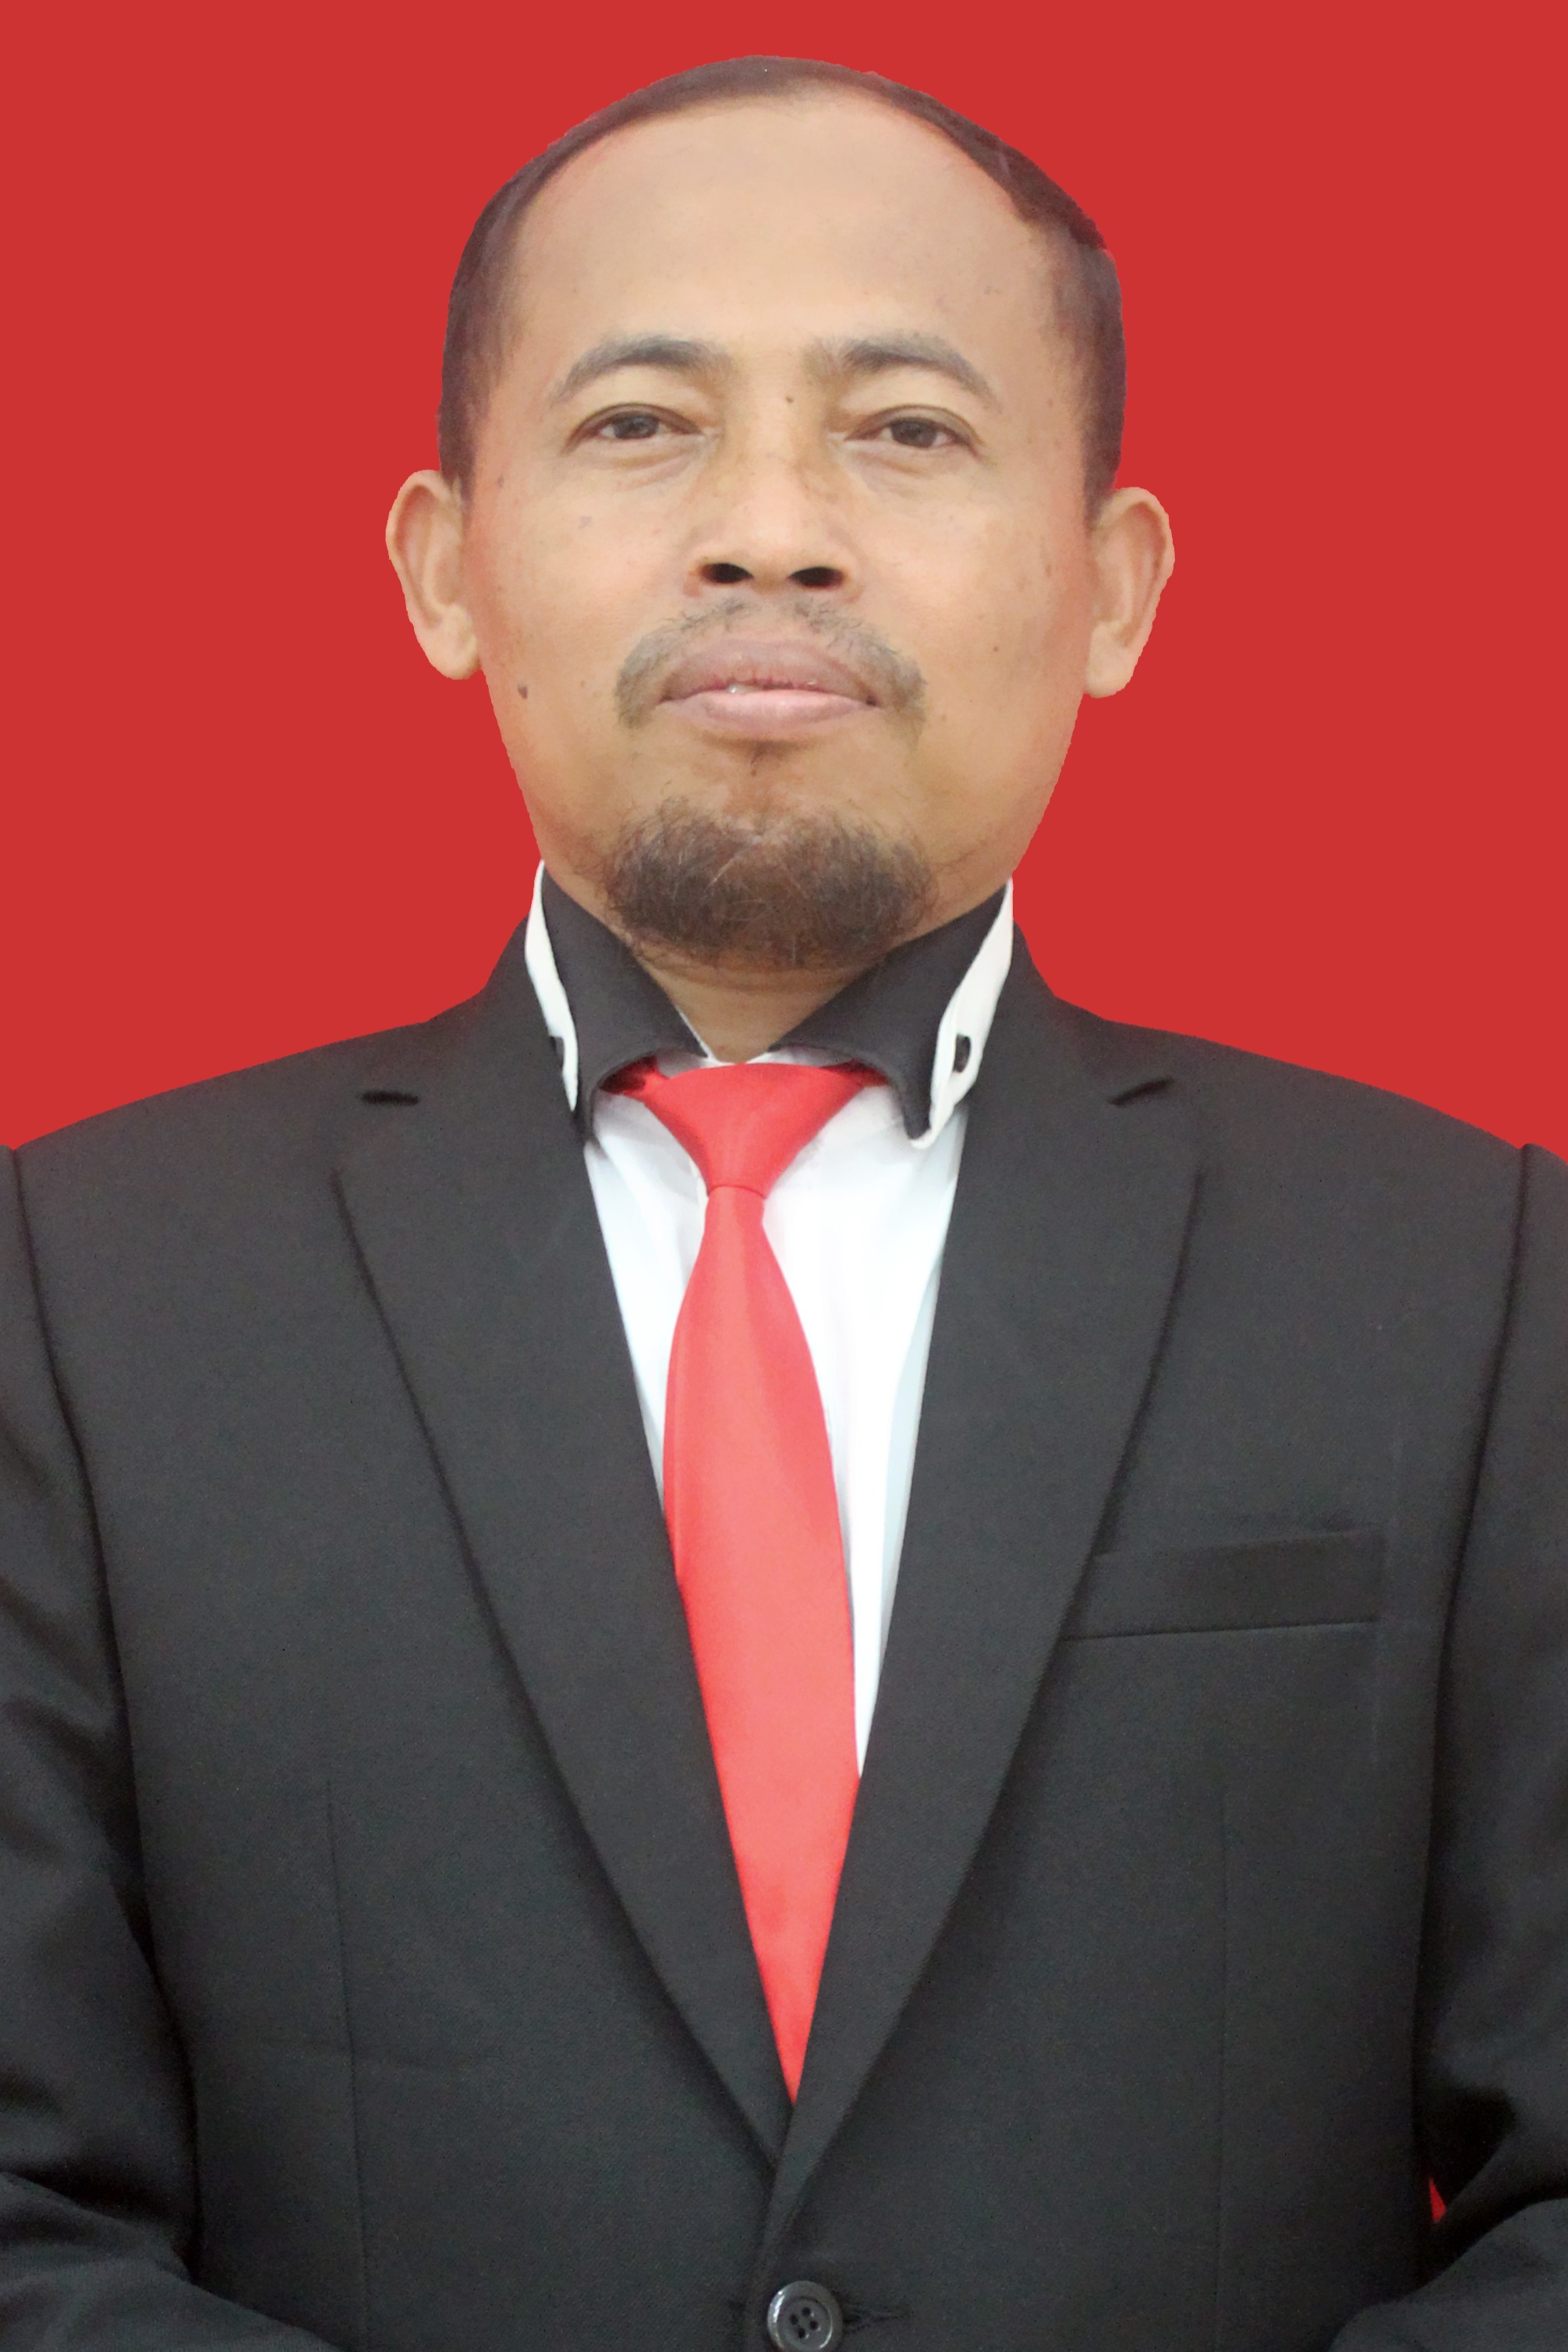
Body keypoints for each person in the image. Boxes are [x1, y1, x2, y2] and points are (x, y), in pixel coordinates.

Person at [2, 51, 1565, 2352]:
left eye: (904, 429)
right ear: (443, 565)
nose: (769, 532)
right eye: (641, 423)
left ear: (1112, 585)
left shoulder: (1473, 1286)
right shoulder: (77, 1298)